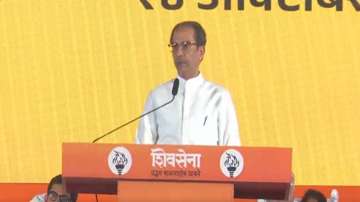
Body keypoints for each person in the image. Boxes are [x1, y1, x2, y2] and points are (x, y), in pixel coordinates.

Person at [136, 21, 240, 146]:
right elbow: (142, 149)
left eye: (186, 45)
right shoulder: (157, 96)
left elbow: (232, 151)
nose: (179, 53)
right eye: (174, 46)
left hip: (207, 166)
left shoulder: (218, 97)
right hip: (164, 165)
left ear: (201, 52)